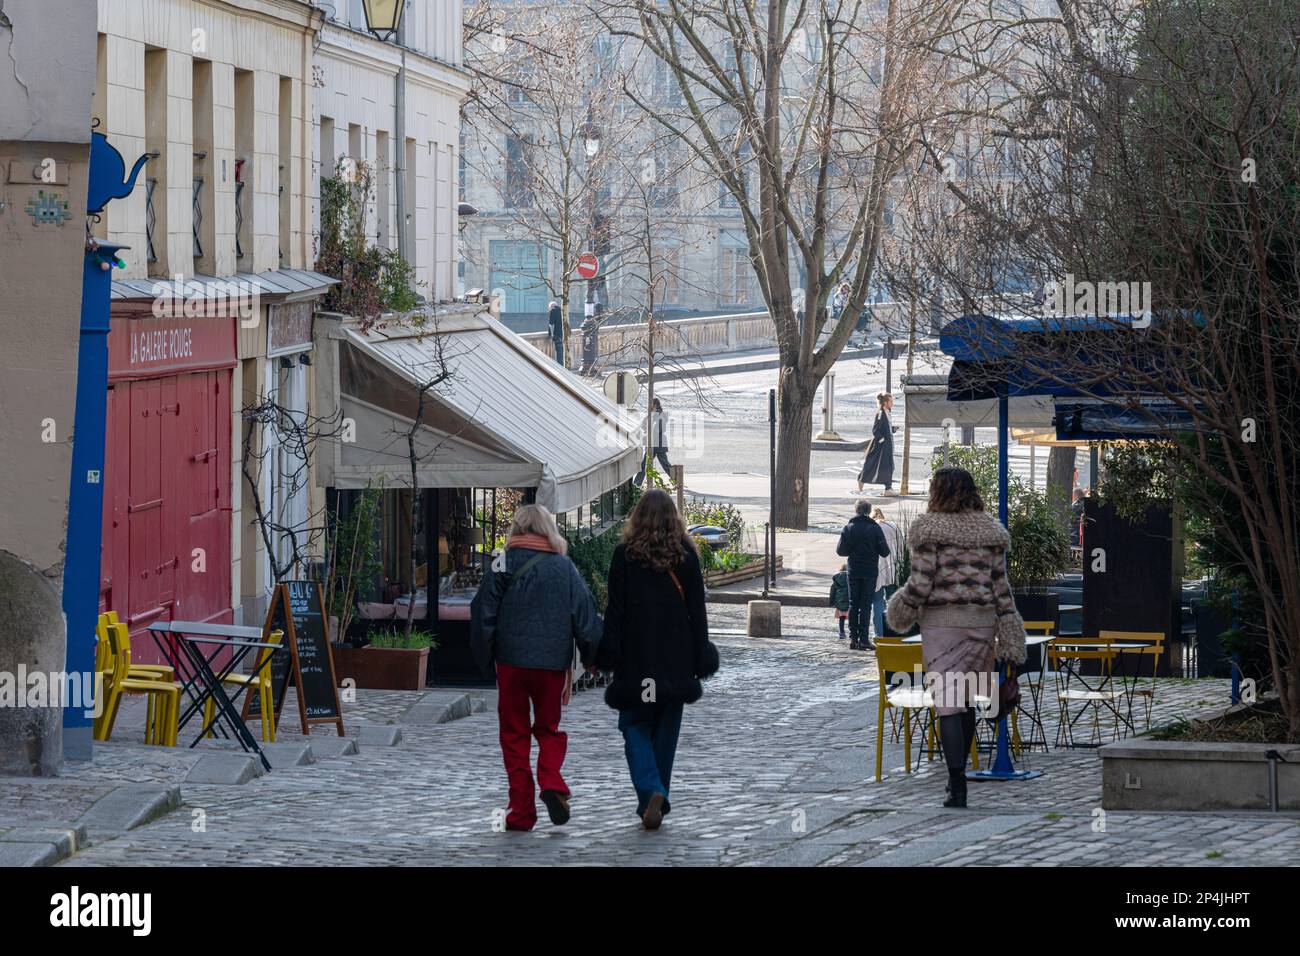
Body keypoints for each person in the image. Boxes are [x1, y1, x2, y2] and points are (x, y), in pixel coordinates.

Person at [886, 467, 1027, 809]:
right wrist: (1009, 627)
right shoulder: (990, 533)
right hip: (981, 626)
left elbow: (919, 585)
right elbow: (1000, 588)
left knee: (949, 704)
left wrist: (899, 609)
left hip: (942, 626)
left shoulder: (930, 531)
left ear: (938, 491)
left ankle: (956, 783)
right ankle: (958, 779)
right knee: (966, 703)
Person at [472, 504, 602, 831]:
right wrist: (593, 657)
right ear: (548, 530)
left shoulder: (501, 562)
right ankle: (553, 783)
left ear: (516, 529)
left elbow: (482, 613)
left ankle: (521, 812)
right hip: (551, 665)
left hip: (511, 663)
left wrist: (486, 661)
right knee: (548, 729)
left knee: (514, 736)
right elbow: (585, 615)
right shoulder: (564, 566)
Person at [596, 489, 720, 830]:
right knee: (665, 734)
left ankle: (651, 789)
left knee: (635, 726)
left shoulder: (624, 556)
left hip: (637, 661)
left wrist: (607, 653)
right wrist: (700, 655)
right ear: (674, 519)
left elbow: (615, 612)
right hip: (675, 661)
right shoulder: (687, 558)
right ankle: (657, 796)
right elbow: (698, 614)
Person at [835, 499, 891, 650]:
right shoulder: (875, 528)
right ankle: (864, 639)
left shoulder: (849, 527)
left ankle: (853, 638)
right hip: (869, 571)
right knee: (866, 605)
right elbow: (885, 552)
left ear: (856, 510)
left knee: (854, 603)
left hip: (853, 570)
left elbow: (841, 551)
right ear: (868, 511)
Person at [869, 506, 902, 642]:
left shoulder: (871, 528)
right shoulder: (893, 526)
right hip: (893, 566)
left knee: (877, 602)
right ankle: (896, 632)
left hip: (876, 568)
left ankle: (880, 634)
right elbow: (902, 545)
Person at [857, 393, 899, 495]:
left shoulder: (887, 412)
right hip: (882, 446)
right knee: (878, 464)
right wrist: (882, 440)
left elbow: (884, 428)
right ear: (885, 403)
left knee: (886, 466)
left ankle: (887, 487)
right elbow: (876, 430)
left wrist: (892, 429)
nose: (892, 403)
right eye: (891, 401)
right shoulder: (880, 413)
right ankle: (887, 488)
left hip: (887, 445)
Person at [829, 564, 851, 640]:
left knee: (842, 618)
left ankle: (842, 632)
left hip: (840, 602)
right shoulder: (851, 577)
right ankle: (852, 632)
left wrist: (831, 602)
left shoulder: (837, 579)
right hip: (850, 601)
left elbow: (832, 592)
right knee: (852, 617)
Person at [547, 300, 565, 366]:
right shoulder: (563, 310)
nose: (550, 309)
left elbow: (551, 324)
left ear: (552, 307)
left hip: (557, 334)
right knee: (563, 351)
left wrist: (550, 334)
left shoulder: (553, 311)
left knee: (559, 351)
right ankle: (563, 364)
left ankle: (560, 365)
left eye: (550, 308)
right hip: (564, 334)